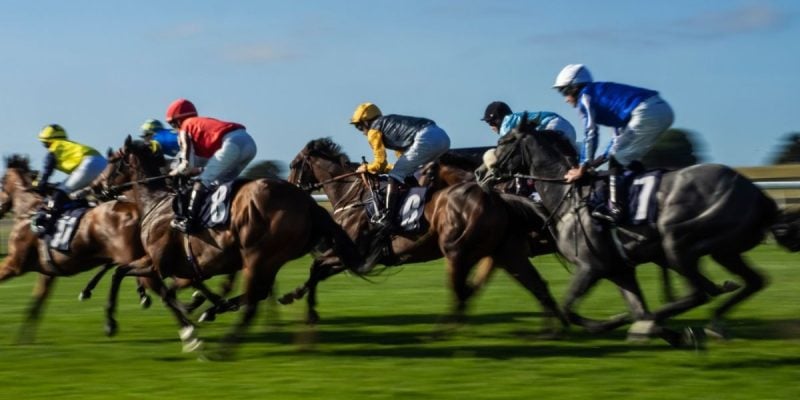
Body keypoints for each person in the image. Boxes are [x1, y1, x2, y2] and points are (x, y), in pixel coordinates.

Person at [553, 64, 674, 224]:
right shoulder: (605, 98)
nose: (566, 99)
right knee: (625, 158)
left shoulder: (586, 97)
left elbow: (591, 133)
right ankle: (640, 201)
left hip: (647, 112)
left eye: (565, 92)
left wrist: (582, 167)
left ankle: (615, 209)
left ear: (575, 88)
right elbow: (616, 140)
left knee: (618, 158)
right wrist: (596, 162)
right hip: (659, 110)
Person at [350, 102, 450, 270]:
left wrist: (365, 168)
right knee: (405, 174)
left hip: (427, 137)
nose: (362, 131)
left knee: (396, 176)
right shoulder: (393, 126)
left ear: (366, 121)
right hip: (441, 136)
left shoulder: (374, 129)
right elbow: (398, 164)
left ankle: (387, 219)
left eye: (360, 127)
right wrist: (382, 170)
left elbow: (381, 163)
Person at [165, 98, 257, 233]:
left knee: (203, 181)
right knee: (221, 183)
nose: (175, 129)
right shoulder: (200, 126)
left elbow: (186, 165)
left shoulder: (185, 127)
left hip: (232, 144)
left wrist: (173, 173)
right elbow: (203, 166)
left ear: (178, 120)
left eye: (173, 124)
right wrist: (195, 170)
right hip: (249, 144)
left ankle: (188, 220)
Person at [32, 124, 107, 232]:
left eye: (44, 143)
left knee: (59, 193)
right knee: (84, 195)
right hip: (102, 161)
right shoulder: (69, 145)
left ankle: (48, 227)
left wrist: (38, 184)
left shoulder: (53, 149)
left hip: (88, 164)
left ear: (47, 141)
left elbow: (45, 172)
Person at [478, 101, 577, 177]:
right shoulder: (513, 120)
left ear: (497, 120)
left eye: (490, 123)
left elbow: (504, 153)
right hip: (566, 127)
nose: (491, 128)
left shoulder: (506, 125)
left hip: (554, 125)